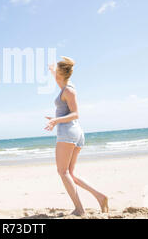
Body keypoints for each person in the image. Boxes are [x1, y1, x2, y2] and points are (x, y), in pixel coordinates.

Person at [45, 56, 109, 216]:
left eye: (56, 71)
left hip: (68, 133)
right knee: (70, 173)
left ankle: (80, 210)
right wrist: (52, 70)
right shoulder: (66, 85)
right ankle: (100, 197)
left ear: (62, 73)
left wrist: (55, 120)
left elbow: (75, 114)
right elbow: (57, 79)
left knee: (62, 172)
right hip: (75, 133)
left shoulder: (68, 90)